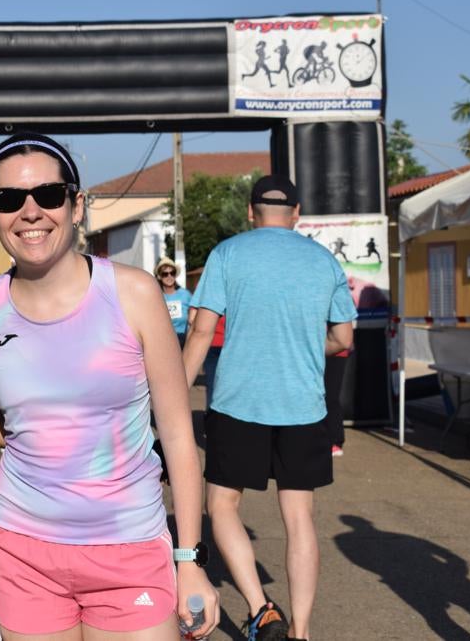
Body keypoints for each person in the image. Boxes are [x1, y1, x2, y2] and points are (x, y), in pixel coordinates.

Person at [0, 132, 218, 640]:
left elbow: (178, 439)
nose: (30, 211)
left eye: (49, 195)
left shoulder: (134, 294)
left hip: (129, 550)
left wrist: (189, 558)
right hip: (21, 551)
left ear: (77, 206)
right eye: (9, 200)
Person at [182, 174, 356, 641]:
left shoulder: (228, 254)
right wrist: (300, 347)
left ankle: (262, 610)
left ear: (250, 213)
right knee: (299, 518)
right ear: (296, 214)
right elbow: (343, 338)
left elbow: (200, 331)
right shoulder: (324, 261)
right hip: (303, 406)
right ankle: (300, 632)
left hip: (238, 401)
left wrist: (175, 396)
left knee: (221, 505)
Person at [155, 257, 192, 348]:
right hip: (162, 341)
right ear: (159, 276)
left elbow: (193, 320)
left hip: (183, 341)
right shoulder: (156, 297)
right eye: (165, 274)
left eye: (172, 273)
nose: (169, 276)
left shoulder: (186, 295)